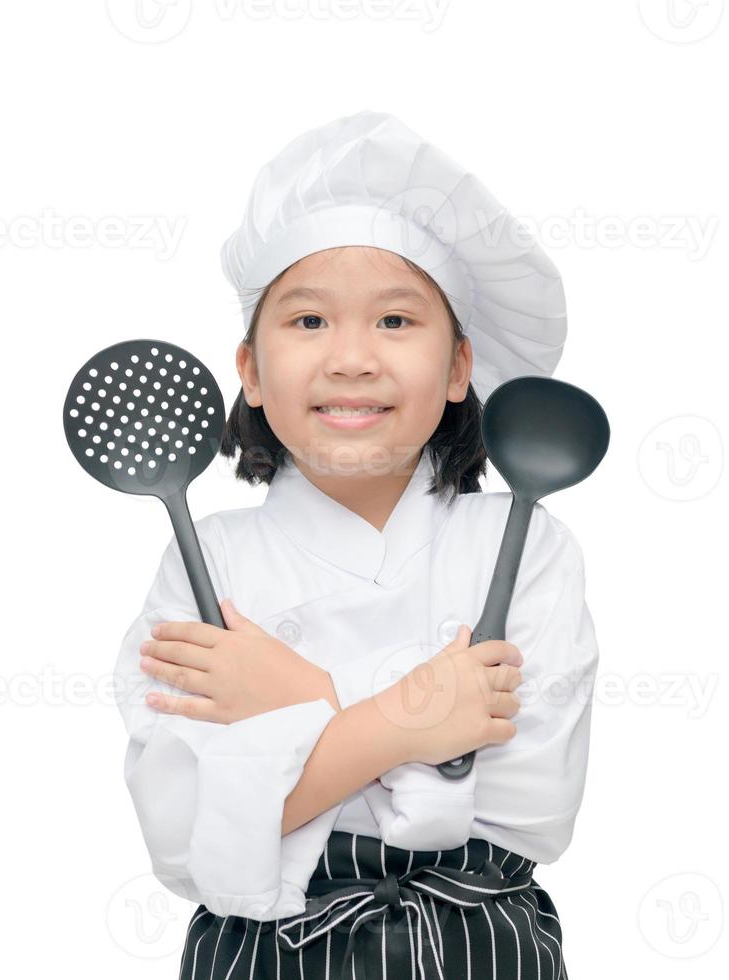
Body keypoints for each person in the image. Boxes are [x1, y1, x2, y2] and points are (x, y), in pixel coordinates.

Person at [112, 110, 597, 979]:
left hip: (482, 949)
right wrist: (413, 724)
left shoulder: (524, 545)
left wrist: (291, 709)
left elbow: (532, 808)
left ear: (458, 370)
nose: (350, 359)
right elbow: (188, 840)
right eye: (307, 323)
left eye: (396, 322)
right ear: (250, 371)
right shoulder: (208, 566)